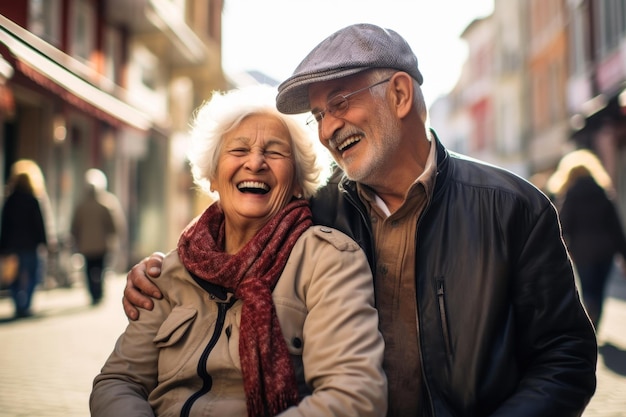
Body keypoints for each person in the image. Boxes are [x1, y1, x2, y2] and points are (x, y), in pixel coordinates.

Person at [123, 23, 597, 416]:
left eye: (340, 103)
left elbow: (565, 358)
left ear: (399, 94)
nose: (328, 129)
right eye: (317, 116)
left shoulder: (514, 207)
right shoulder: (313, 211)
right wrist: (158, 269)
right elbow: (230, 249)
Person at [90, 86, 387, 417]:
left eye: (274, 153)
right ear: (213, 175)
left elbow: (354, 396)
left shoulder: (327, 260)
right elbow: (118, 381)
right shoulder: (171, 269)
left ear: (298, 184)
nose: (256, 162)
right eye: (239, 149)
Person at [547, 149, 626, 330]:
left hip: (582, 252)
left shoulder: (570, 196)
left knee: (588, 289)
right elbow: (615, 227)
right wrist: (624, 255)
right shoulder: (602, 193)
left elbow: (562, 227)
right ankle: (595, 323)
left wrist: (560, 252)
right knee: (599, 290)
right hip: (606, 251)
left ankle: (590, 325)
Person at [0, 160, 49, 318]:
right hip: (30, 246)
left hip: (13, 246)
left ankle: (18, 303)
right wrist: (44, 242)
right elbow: (39, 224)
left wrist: (3, 246)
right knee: (34, 274)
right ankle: (26, 303)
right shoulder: (32, 200)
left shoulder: (10, 201)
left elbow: (4, 225)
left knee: (13, 277)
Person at [71, 169, 126, 305]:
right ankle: (99, 292)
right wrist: (115, 237)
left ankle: (93, 293)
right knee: (100, 269)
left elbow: (74, 225)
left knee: (89, 269)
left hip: (85, 245)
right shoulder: (107, 203)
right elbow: (114, 224)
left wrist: (75, 239)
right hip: (102, 244)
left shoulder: (81, 205)